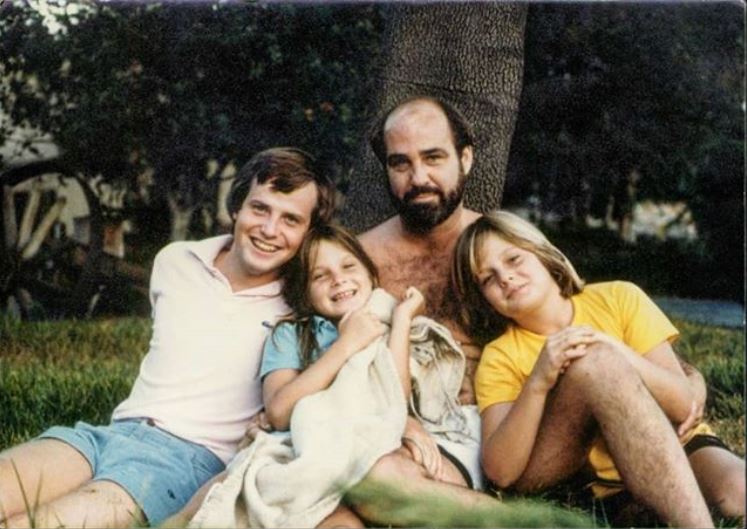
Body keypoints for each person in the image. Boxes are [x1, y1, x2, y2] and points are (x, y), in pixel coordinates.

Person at [349, 95, 709, 526]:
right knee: (377, 482)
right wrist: (402, 424)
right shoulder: (359, 262)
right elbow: (334, 359)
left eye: (434, 157)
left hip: (537, 433)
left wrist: (690, 379)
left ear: (465, 158)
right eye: (400, 163)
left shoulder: (504, 247)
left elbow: (584, 322)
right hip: (432, 446)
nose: (419, 177)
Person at [0, 147, 335, 528]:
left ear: (309, 233)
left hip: (186, 462)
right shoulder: (176, 262)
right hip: (108, 434)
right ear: (237, 207)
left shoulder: (301, 310)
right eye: (260, 208)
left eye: (291, 219)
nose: (270, 229)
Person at [451, 210, 745, 527]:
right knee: (593, 365)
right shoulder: (501, 354)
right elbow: (501, 472)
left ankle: (651, 505)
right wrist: (538, 381)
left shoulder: (619, 297)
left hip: (679, 445)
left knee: (739, 492)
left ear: (543, 254)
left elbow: (686, 405)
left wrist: (617, 350)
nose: (505, 278)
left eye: (513, 260)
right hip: (593, 478)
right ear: (485, 300)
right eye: (488, 279)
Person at [259, 223, 427, 527]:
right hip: (315, 455)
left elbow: (394, 397)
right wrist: (347, 344)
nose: (339, 280)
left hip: (373, 449)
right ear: (305, 294)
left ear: (370, 275)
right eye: (320, 276)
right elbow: (279, 412)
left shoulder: (385, 319)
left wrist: (402, 320)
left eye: (349, 266)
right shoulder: (292, 334)